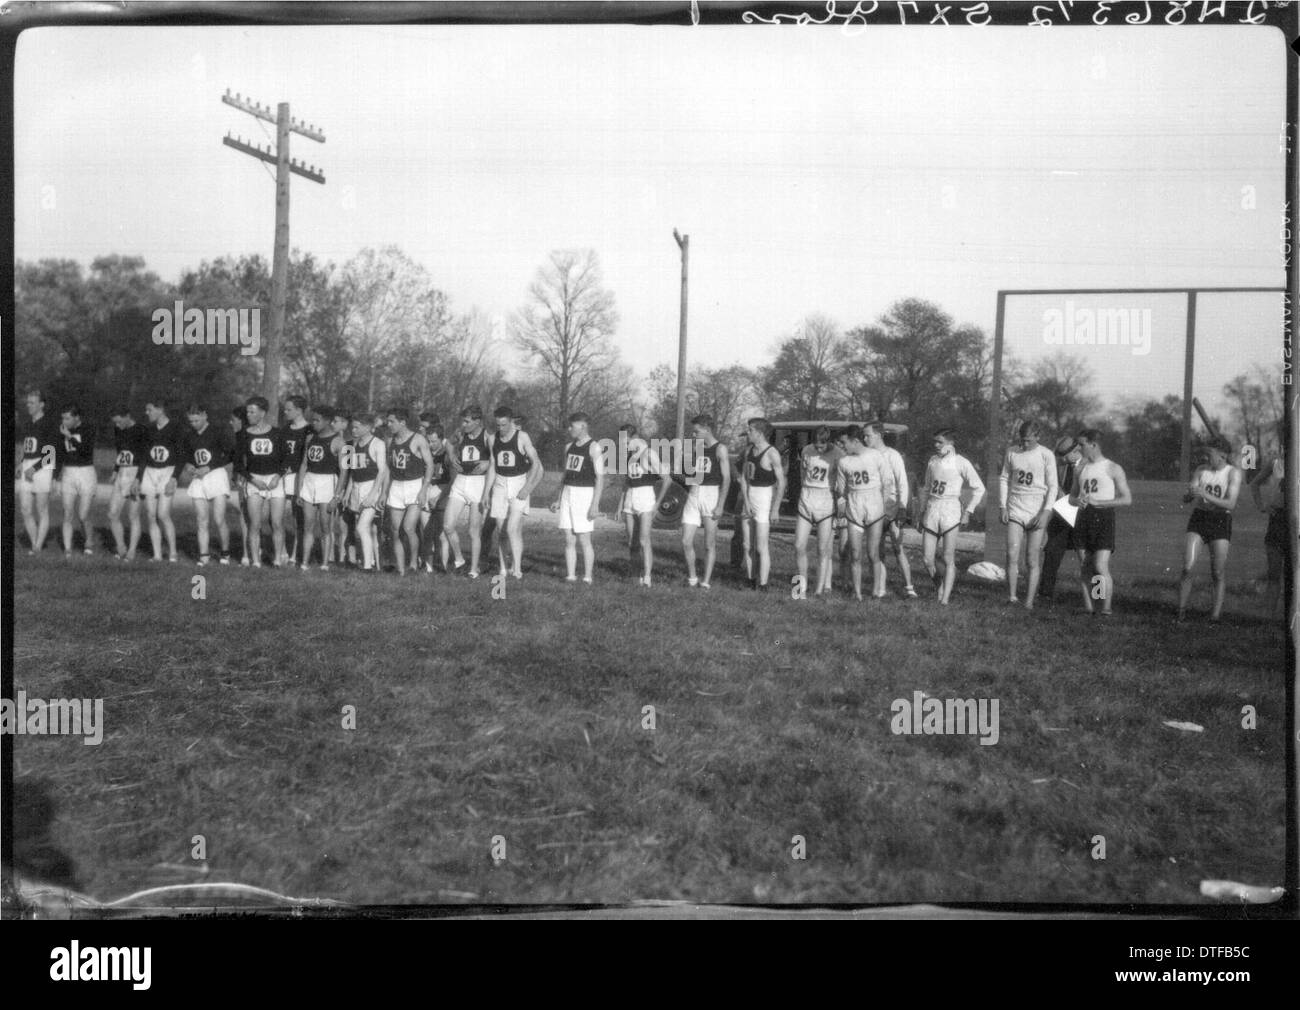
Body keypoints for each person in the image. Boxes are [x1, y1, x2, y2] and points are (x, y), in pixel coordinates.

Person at [1068, 427, 1133, 617]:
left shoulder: (1112, 468)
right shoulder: (1080, 468)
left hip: (1103, 519)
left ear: (1093, 445)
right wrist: (1076, 501)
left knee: (1100, 565)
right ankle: (1090, 607)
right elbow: (1071, 497)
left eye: (1082, 445)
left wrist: (1099, 502)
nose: (1078, 449)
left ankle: (1104, 607)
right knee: (1085, 565)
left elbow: (1126, 499)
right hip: (1083, 518)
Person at [917, 427, 985, 605]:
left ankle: (945, 599)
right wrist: (922, 510)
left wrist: (968, 511)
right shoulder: (932, 461)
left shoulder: (961, 462)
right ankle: (940, 586)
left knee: (948, 557)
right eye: (935, 442)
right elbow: (926, 487)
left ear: (950, 443)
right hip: (933, 508)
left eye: (940, 442)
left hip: (951, 510)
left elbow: (979, 488)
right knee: (927, 558)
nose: (936, 445)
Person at [1177, 438, 1241, 623]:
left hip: (1221, 521)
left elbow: (1230, 503)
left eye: (1209, 453)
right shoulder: (1201, 470)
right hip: (1199, 518)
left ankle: (1215, 616)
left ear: (1222, 455)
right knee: (1187, 567)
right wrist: (1190, 494)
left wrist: (1205, 494)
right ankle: (1180, 611)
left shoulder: (1232, 473)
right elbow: (1187, 498)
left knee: (1218, 572)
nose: (1205, 457)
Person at [998, 421, 1058, 607]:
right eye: (1022, 440)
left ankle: (1029, 602)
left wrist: (1046, 511)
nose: (1024, 445)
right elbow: (1004, 478)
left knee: (1032, 558)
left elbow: (1053, 486)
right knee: (1011, 552)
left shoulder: (1046, 455)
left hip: (1036, 509)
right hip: (1016, 506)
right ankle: (1012, 597)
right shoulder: (1012, 452)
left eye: (1028, 441)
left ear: (1037, 437)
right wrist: (1003, 506)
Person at [834, 425, 895, 601]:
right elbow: (842, 491)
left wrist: (883, 507)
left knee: (873, 552)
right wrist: (842, 508)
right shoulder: (844, 462)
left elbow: (887, 483)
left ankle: (876, 591)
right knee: (855, 552)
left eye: (844, 442)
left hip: (874, 508)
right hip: (855, 508)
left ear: (855, 441)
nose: (842, 446)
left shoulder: (876, 456)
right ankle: (857, 592)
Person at [486, 406, 545, 580]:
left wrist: (527, 487)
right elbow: (492, 465)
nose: (501, 428)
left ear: (511, 422)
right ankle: (503, 569)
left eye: (504, 425)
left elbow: (536, 464)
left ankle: (517, 569)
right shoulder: (492, 439)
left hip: (519, 483)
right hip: (500, 484)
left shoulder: (522, 437)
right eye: (498, 425)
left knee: (512, 529)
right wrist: (485, 493)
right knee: (501, 530)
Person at [235, 396, 288, 567]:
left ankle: (278, 559)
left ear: (263, 413)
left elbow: (286, 460)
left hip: (274, 481)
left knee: (277, 522)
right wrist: (253, 480)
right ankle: (256, 562)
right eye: (247, 411)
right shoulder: (243, 434)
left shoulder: (276, 433)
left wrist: (277, 477)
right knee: (254, 524)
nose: (248, 415)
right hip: (254, 481)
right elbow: (237, 464)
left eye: (252, 411)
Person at [180, 403, 235, 566]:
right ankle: (204, 555)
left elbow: (230, 454)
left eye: (196, 420)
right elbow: (187, 456)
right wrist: (189, 465)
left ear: (205, 415)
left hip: (216, 476)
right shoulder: (190, 435)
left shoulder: (217, 432)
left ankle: (225, 553)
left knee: (218, 518)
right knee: (201, 519)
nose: (194, 424)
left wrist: (209, 467)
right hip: (199, 478)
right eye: (191, 421)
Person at [618, 422, 671, 587]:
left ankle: (647, 577)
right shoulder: (627, 455)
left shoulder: (649, 453)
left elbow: (667, 479)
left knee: (643, 540)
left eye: (626, 441)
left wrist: (657, 505)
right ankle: (635, 575)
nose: (624, 444)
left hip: (646, 497)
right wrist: (620, 505)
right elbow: (627, 482)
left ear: (634, 438)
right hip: (630, 496)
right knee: (631, 542)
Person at [555, 411, 605, 583]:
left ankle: (587, 576)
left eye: (572, 426)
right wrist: (558, 497)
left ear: (582, 426)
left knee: (584, 538)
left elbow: (600, 478)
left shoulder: (594, 447)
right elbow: (565, 475)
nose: (569, 429)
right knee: (569, 538)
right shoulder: (568, 447)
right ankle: (570, 575)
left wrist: (595, 505)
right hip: (568, 492)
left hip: (585, 494)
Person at [793, 426, 842, 598]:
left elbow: (841, 483)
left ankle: (819, 590)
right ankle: (799, 589)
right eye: (816, 446)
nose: (818, 449)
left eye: (822, 446)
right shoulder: (807, 450)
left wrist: (839, 506)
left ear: (829, 442)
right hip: (807, 499)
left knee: (823, 549)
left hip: (826, 502)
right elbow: (802, 474)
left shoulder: (838, 454)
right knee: (799, 545)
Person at [1036, 435, 1085, 607]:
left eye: (1064, 456)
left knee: (1091, 562)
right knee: (1052, 553)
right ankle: (1044, 594)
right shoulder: (1060, 466)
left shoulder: (1089, 466)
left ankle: (1098, 598)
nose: (1061, 460)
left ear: (1076, 451)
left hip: (1084, 519)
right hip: (1062, 518)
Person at [385, 407, 434, 575]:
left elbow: (430, 465)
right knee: (394, 529)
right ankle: (400, 569)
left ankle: (413, 562)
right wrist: (385, 491)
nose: (388, 424)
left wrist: (424, 488)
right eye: (388, 421)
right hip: (397, 486)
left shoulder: (418, 439)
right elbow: (388, 467)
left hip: (415, 485)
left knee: (408, 528)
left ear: (402, 422)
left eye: (392, 421)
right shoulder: (389, 440)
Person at [444, 406, 492, 576]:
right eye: (462, 421)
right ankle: (459, 559)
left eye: (467, 421)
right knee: (448, 526)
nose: (463, 424)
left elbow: (496, 457)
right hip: (461, 481)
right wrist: (451, 456)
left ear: (478, 421)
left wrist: (488, 463)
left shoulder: (487, 436)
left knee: (473, 531)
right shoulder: (460, 433)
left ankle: (473, 569)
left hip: (478, 483)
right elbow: (448, 443)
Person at [870, 424, 917, 599]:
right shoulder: (869, 455)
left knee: (898, 548)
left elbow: (902, 482)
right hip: (876, 508)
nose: (865, 439)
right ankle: (880, 588)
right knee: (878, 549)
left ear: (878, 435)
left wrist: (902, 507)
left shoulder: (893, 455)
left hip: (893, 507)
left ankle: (909, 587)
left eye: (868, 436)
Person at [297, 405, 347, 571]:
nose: (314, 423)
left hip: (327, 483)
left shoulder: (339, 442)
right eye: (313, 420)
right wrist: (299, 489)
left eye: (317, 420)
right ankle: (304, 562)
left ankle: (325, 563)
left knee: (326, 527)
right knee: (308, 525)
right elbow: (304, 465)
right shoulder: (310, 438)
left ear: (327, 421)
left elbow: (343, 472)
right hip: (310, 482)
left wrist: (336, 496)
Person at [738, 417, 786, 591]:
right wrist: (746, 499)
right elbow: (743, 477)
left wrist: (775, 508)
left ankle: (763, 583)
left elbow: (781, 483)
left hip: (764, 497)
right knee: (747, 545)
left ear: (759, 433)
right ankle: (750, 580)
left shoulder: (772, 453)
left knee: (761, 546)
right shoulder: (749, 450)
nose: (748, 433)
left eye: (750, 430)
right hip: (750, 496)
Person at [15, 389, 61, 555]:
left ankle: (37, 547)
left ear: (41, 404)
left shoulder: (49, 424)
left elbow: (50, 454)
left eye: (32, 402)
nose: (28, 405)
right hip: (28, 465)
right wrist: (21, 464)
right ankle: (35, 543)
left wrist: (33, 469)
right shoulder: (28, 424)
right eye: (27, 402)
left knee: (41, 509)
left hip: (42, 468)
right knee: (25, 509)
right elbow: (27, 448)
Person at [140, 398, 184, 563]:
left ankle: (173, 552)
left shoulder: (176, 428)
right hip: (151, 472)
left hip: (168, 471)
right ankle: (157, 554)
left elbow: (181, 455)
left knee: (163, 513)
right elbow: (144, 456)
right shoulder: (148, 429)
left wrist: (174, 478)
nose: (147, 413)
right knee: (151, 515)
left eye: (149, 409)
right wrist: (139, 478)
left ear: (160, 409)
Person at [1249, 427, 1287, 620]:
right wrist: (1262, 506)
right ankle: (1268, 619)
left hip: (1295, 521)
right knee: (1274, 574)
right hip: (1277, 520)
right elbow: (1254, 484)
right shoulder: (1276, 463)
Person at [343, 414, 389, 572]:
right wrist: (347, 493)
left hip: (372, 488)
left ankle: (368, 566)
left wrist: (373, 494)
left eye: (357, 427)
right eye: (352, 427)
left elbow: (382, 472)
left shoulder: (378, 444)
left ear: (368, 427)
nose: (353, 430)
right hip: (356, 487)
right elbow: (352, 472)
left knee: (362, 527)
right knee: (362, 529)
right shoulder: (350, 446)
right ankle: (367, 561)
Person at [56, 404, 98, 557]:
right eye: (63, 418)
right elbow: (59, 455)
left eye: (67, 418)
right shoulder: (62, 431)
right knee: (67, 513)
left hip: (86, 472)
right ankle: (68, 549)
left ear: (77, 418)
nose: (64, 421)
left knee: (83, 515)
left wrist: (69, 437)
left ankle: (89, 541)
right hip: (69, 472)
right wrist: (54, 477)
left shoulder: (88, 429)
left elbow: (85, 450)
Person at [107, 405, 148, 562]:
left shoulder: (141, 430)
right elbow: (120, 452)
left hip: (136, 473)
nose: (117, 425)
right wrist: (116, 470)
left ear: (127, 416)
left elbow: (145, 456)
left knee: (133, 515)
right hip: (122, 473)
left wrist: (139, 478)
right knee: (112, 513)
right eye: (115, 423)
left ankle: (131, 551)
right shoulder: (119, 430)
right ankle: (121, 547)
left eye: (119, 421)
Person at [279, 395, 312, 566]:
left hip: (300, 477)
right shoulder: (284, 430)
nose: (285, 412)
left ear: (299, 410)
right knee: (276, 516)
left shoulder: (310, 430)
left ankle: (294, 555)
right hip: (283, 477)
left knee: (298, 517)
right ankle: (282, 551)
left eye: (288, 409)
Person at [228, 405, 253, 566]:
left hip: (252, 479)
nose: (231, 423)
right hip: (242, 479)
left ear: (241, 420)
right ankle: (246, 552)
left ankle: (254, 550)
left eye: (233, 420)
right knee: (244, 515)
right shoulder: (237, 436)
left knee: (253, 516)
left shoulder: (248, 435)